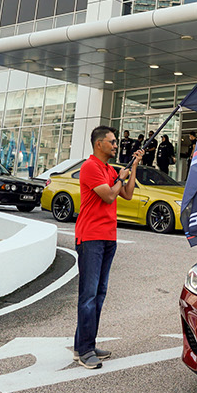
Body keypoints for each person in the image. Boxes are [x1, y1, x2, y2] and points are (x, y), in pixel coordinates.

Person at [73, 126, 143, 369]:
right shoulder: (90, 167)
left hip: (108, 238)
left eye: (116, 142)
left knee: (99, 295)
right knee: (89, 295)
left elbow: (128, 195)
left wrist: (133, 167)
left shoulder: (108, 169)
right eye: (112, 142)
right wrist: (120, 178)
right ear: (99, 144)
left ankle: (85, 344)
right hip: (90, 238)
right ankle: (84, 350)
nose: (116, 145)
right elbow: (109, 196)